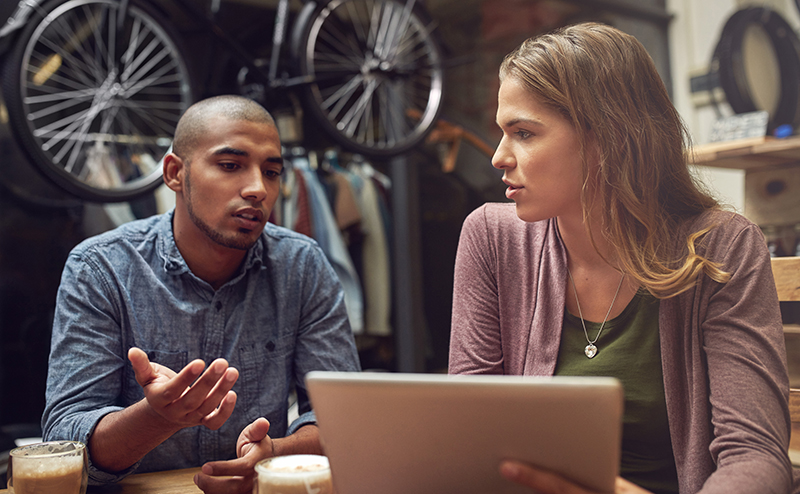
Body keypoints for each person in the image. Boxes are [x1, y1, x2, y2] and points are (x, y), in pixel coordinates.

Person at [448, 22, 796, 494]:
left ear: (606, 137)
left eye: (524, 133)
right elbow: (470, 430)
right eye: (502, 133)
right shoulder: (490, 237)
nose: (498, 156)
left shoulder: (724, 247)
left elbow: (755, 456)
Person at [42, 95, 361, 493]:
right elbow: (62, 440)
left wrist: (273, 454)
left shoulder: (302, 266)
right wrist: (157, 417)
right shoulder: (101, 268)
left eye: (273, 171)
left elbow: (343, 422)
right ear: (175, 173)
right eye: (230, 166)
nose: (258, 189)